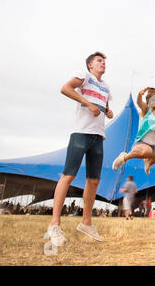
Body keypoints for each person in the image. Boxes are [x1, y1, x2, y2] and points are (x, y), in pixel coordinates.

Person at [45, 51, 113, 246]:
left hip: (98, 136)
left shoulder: (106, 87)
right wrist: (87, 103)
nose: (103, 64)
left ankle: (86, 223)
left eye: (104, 62)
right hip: (81, 133)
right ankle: (55, 224)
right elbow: (65, 88)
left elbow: (104, 107)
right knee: (68, 175)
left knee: (94, 181)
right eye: (99, 61)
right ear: (90, 65)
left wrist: (108, 112)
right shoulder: (85, 76)